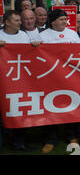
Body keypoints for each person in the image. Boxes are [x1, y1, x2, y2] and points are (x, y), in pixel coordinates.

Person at [39, 9, 80, 153]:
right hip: (51, 78)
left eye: (65, 19)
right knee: (51, 108)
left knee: (70, 106)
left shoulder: (72, 33)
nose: (65, 21)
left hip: (71, 77)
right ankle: (50, 139)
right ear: (53, 22)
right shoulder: (43, 36)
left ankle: (72, 136)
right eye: (62, 19)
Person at [0, 10, 40, 152]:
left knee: (19, 111)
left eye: (19, 20)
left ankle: (19, 143)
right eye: (16, 20)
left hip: (21, 81)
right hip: (3, 82)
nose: (20, 23)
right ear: (7, 22)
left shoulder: (24, 36)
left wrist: (34, 47)